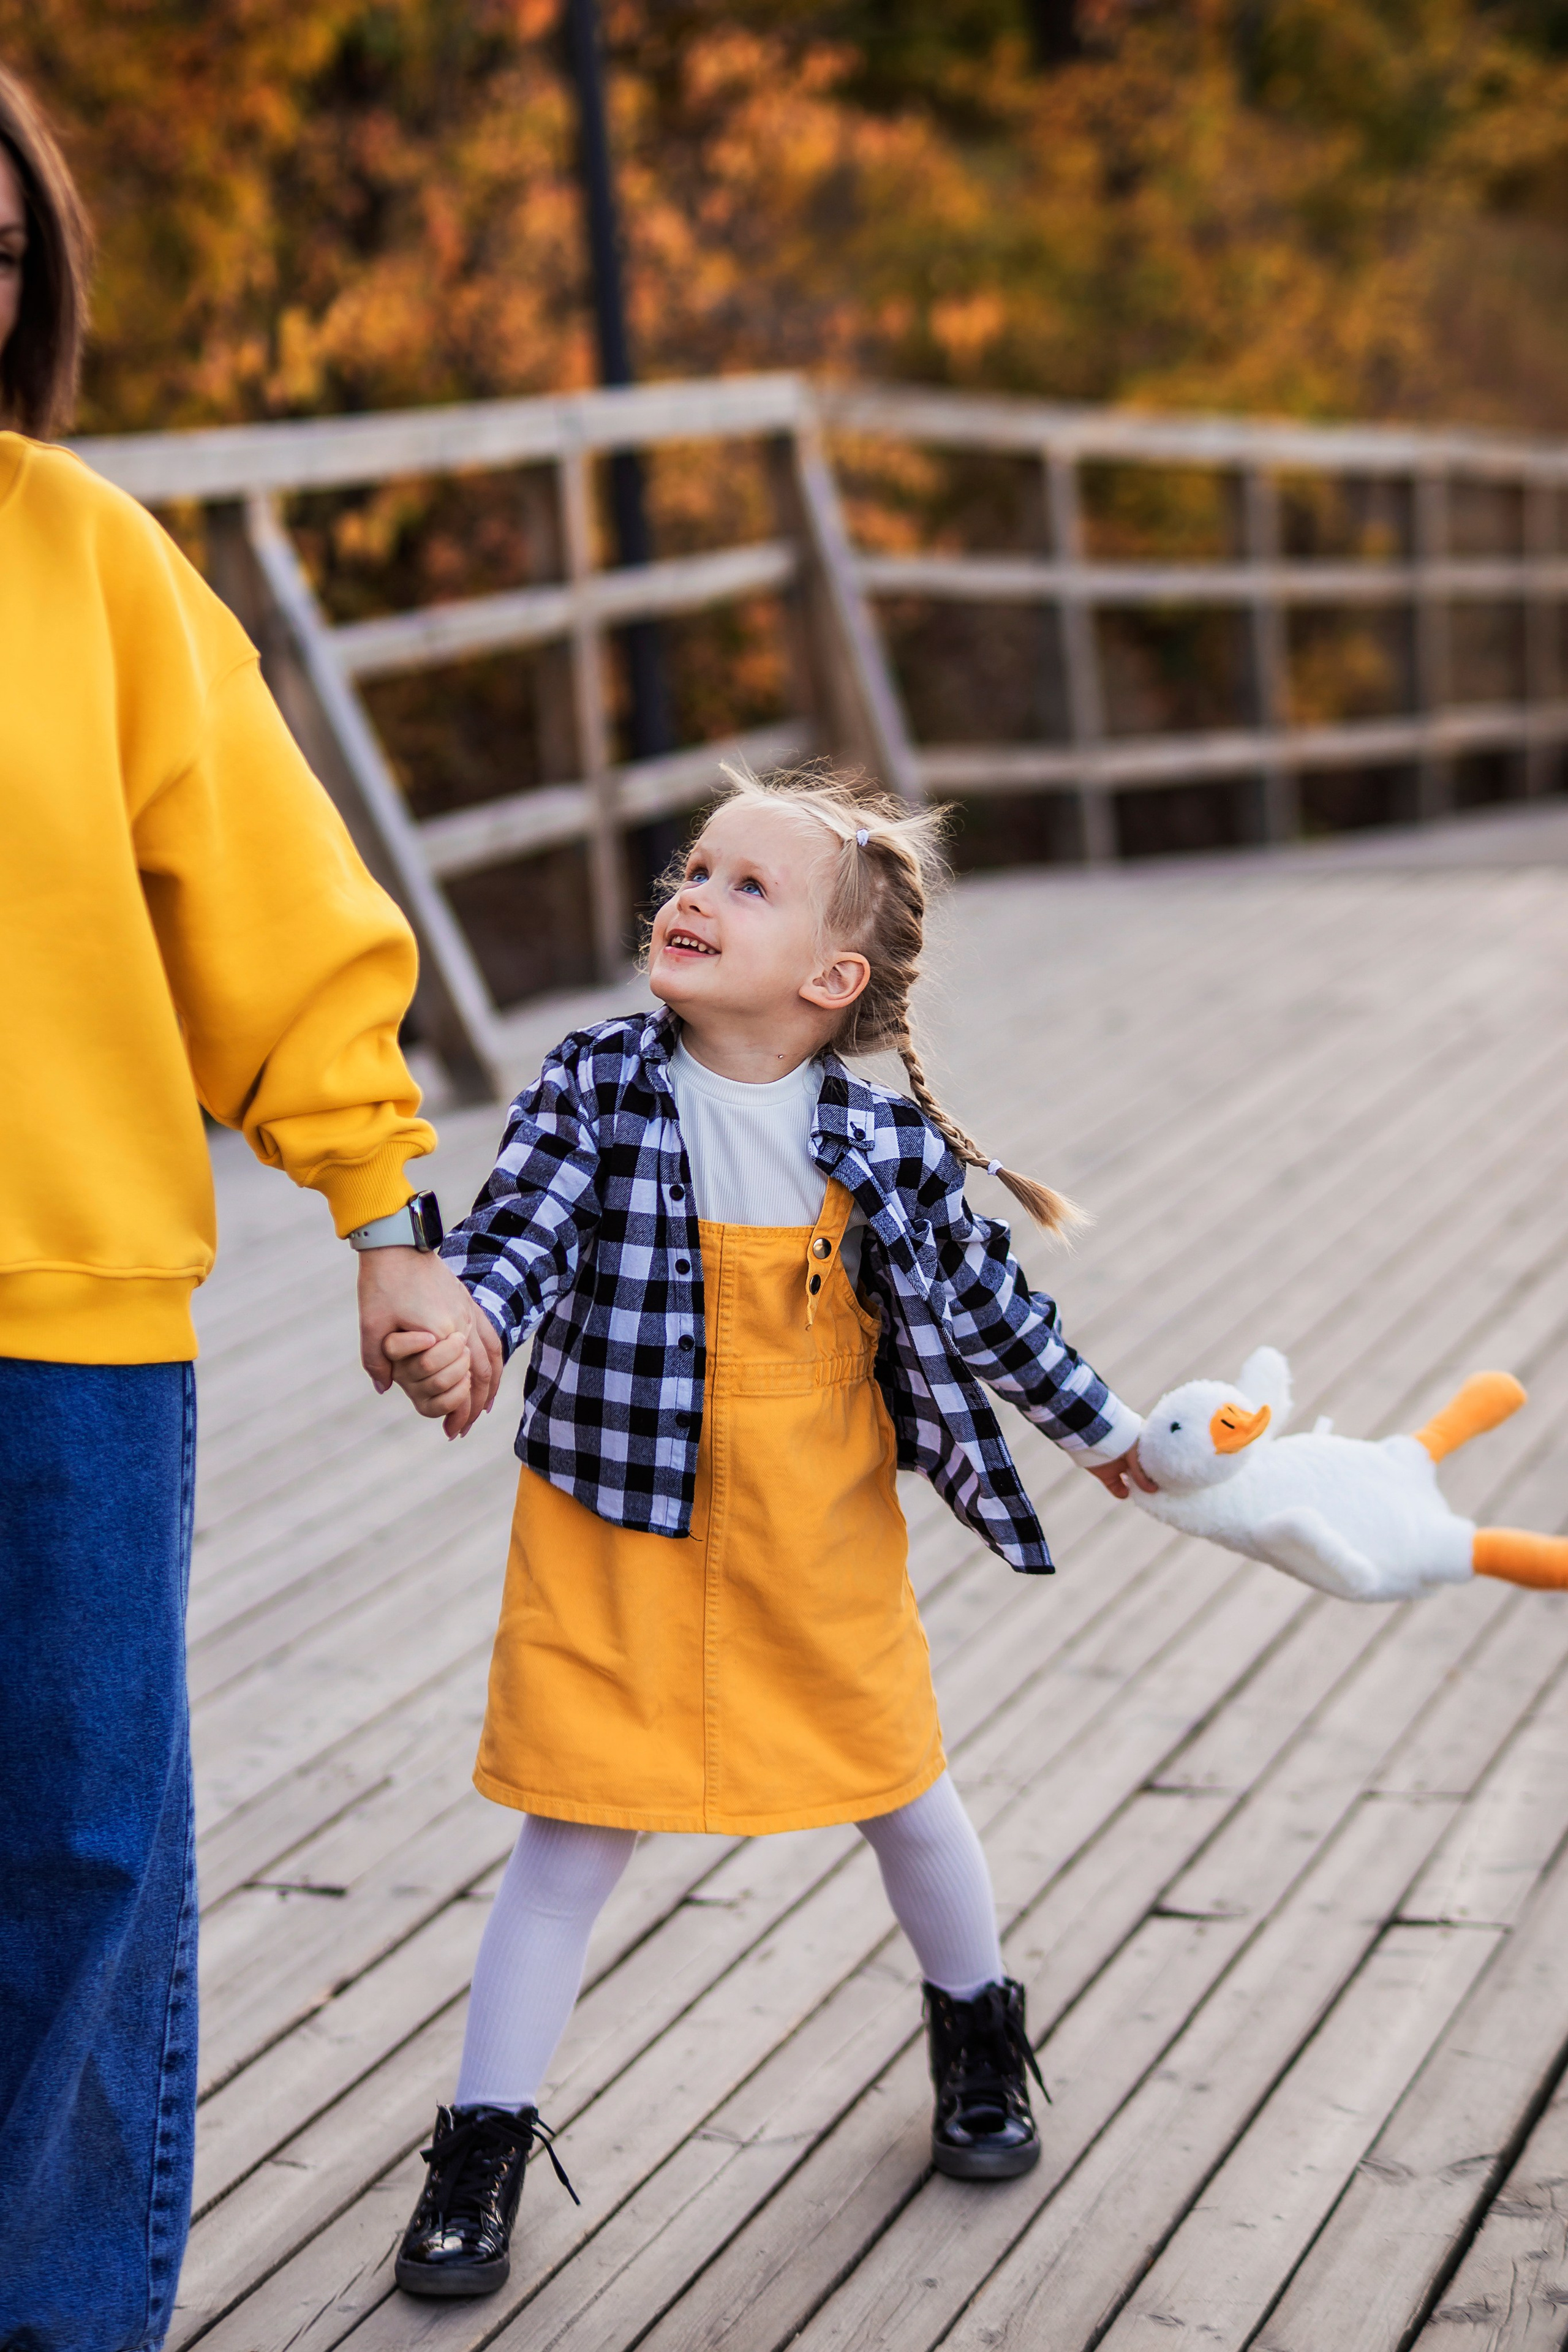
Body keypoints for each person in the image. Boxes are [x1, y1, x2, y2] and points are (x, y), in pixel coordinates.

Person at [383, 763, 1152, 2299]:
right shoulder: (598, 1084)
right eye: (691, 868)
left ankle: (979, 2036)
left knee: (900, 1788)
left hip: (815, 1533)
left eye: (744, 885)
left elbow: (994, 1309)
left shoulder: (879, 1146)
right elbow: (515, 1240)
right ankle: (481, 2143)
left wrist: (1112, 1433)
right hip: (615, 1526)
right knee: (570, 1827)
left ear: (829, 977)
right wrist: (460, 1322)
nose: (691, 895)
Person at [0, 65, 497, 2352]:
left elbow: (281, 916)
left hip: (68, 1318)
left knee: (78, 1851)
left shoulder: (86, 559)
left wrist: (391, 1210)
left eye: (3, 243)